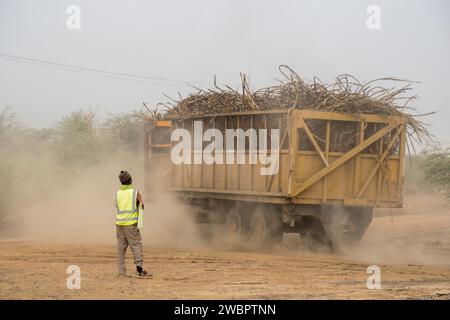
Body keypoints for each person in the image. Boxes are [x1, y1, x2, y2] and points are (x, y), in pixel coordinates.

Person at [113, 170, 151, 278]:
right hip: (131, 225)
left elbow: (118, 206)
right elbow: (142, 205)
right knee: (136, 246)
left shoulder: (117, 194)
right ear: (130, 180)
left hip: (119, 225)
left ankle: (121, 273)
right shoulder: (135, 192)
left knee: (121, 249)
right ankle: (139, 270)